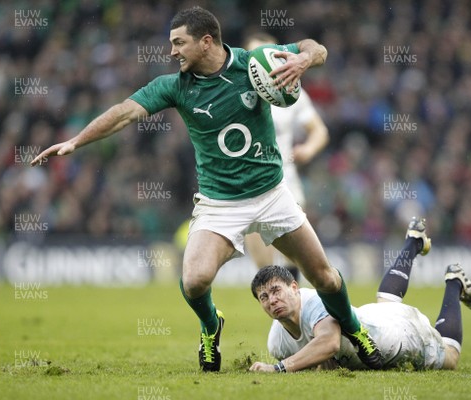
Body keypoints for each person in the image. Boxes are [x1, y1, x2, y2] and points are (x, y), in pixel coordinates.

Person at [30, 6, 384, 372]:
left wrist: (304, 60)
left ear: (206, 41)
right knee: (195, 280)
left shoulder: (252, 63)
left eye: (178, 43)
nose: (172, 52)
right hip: (220, 203)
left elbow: (317, 47)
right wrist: (76, 141)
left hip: (272, 195)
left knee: (323, 276)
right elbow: (123, 111)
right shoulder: (175, 86)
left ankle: (355, 331)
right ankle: (211, 327)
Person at [249, 218, 471, 372]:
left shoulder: (314, 302)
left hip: (396, 338)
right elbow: (318, 362)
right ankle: (413, 242)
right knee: (387, 302)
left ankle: (454, 282)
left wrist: (278, 368)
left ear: (294, 287)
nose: (272, 300)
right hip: (373, 316)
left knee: (449, 358)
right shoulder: (277, 343)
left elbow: (329, 344)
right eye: (264, 297)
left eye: (276, 290)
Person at [242, 32, 330, 281]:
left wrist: (308, 150)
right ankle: (278, 316)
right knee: (265, 269)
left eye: (265, 53)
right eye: (253, 54)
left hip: (285, 183)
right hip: (248, 187)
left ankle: (295, 314)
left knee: (296, 261)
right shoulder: (234, 96)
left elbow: (320, 131)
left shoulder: (292, 92)